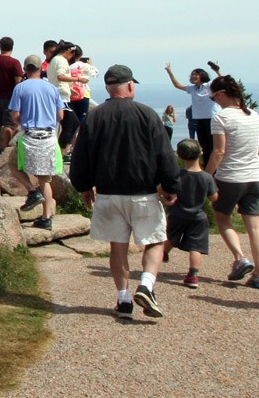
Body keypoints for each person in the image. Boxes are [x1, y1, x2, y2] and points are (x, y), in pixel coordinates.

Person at [70, 64, 179, 319]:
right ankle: (147, 285)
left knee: (117, 247)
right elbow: (164, 155)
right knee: (154, 241)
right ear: (130, 86)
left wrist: (84, 186)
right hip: (143, 193)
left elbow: (80, 157)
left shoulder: (94, 117)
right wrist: (171, 186)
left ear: (108, 87)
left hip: (108, 194)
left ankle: (124, 298)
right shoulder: (148, 115)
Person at [205, 74, 259, 289]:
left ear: (221, 95)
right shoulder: (255, 115)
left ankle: (240, 258)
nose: (215, 102)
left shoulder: (222, 118)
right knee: (254, 226)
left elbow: (219, 151)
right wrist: (258, 170)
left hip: (231, 176)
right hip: (255, 176)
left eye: (214, 98)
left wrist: (206, 175)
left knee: (222, 217)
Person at [8, 54, 64, 230]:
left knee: (12, 164)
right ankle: (46, 218)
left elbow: (15, 115)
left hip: (30, 135)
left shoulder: (20, 88)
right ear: (41, 69)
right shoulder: (52, 88)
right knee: (45, 179)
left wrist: (23, 120)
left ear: (25, 69)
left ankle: (32, 191)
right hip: (48, 137)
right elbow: (61, 116)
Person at [162, 139, 218, 289]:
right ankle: (193, 275)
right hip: (198, 216)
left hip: (176, 213)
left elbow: (164, 189)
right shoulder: (207, 177)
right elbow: (214, 198)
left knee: (171, 237)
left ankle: (163, 253)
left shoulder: (178, 175)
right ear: (201, 153)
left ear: (180, 156)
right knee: (196, 246)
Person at [164, 62, 224, 163]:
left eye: (195, 74)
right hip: (199, 120)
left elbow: (224, 82)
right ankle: (207, 167)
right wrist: (169, 72)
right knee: (204, 146)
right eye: (192, 74)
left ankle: (216, 168)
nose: (193, 76)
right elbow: (177, 85)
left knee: (214, 146)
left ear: (202, 75)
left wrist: (217, 71)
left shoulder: (209, 85)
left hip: (213, 119)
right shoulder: (192, 89)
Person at [0, 36, 23, 160]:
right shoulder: (14, 63)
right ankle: (6, 150)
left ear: (0, 46)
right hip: (10, 98)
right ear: (12, 47)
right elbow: (18, 81)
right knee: (9, 125)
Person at [47, 41, 85, 152]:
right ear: (69, 52)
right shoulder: (62, 61)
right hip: (61, 97)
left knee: (71, 124)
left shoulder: (54, 60)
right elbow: (60, 76)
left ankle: (61, 151)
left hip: (59, 95)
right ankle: (60, 152)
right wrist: (78, 79)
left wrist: (69, 89)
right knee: (70, 125)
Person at [68, 51, 97, 126]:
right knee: (83, 118)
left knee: (74, 118)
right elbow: (95, 74)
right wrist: (90, 65)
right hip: (83, 93)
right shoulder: (84, 65)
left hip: (71, 94)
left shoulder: (68, 66)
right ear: (80, 55)